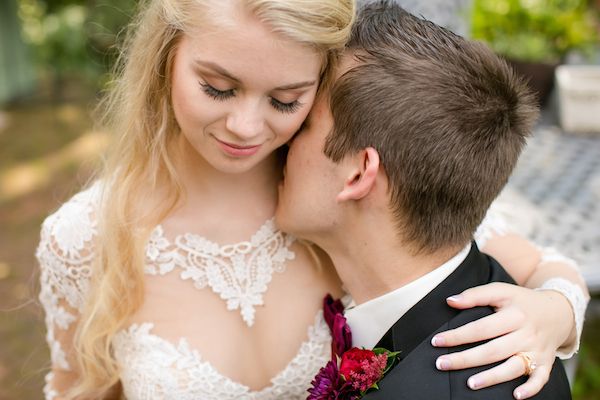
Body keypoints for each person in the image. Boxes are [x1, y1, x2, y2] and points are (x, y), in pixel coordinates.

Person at [36, 0, 587, 399]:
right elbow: (76, 389)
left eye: (285, 99)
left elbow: (541, 265)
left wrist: (554, 312)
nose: (246, 126)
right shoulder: (84, 237)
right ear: (166, 59)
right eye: (217, 87)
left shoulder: (335, 202)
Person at [276, 2, 577, 399]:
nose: (279, 140)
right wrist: (562, 303)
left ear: (359, 173)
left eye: (305, 123)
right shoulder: (475, 270)